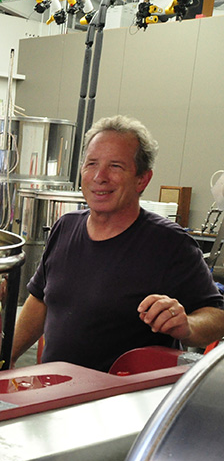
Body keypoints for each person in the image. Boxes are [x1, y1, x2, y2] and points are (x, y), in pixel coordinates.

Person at [12, 115, 224, 372]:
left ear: (142, 180)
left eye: (115, 166)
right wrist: (5, 357)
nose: (100, 176)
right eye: (91, 164)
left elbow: (217, 315)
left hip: (122, 402)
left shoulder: (170, 244)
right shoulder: (65, 227)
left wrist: (187, 326)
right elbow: (40, 300)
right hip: (56, 395)